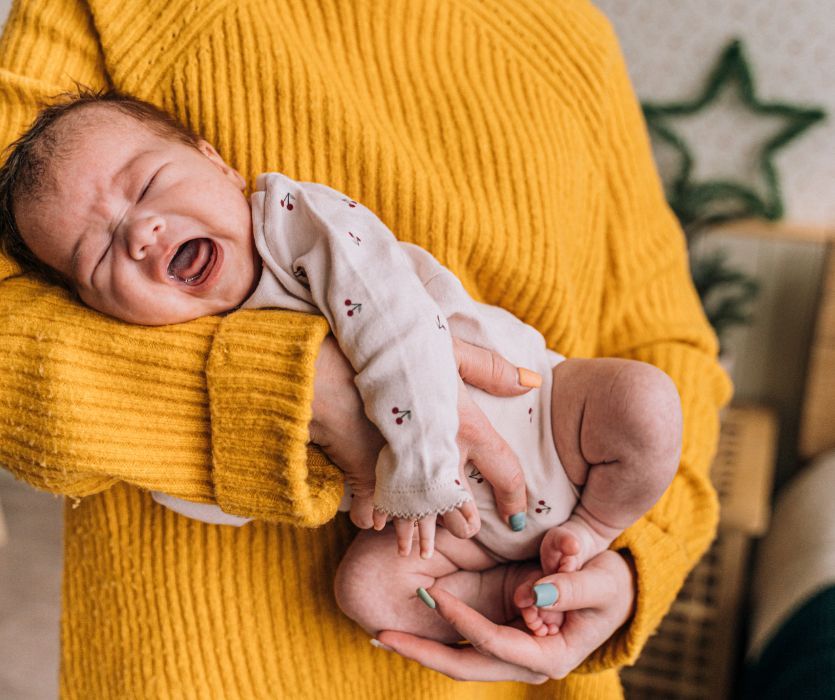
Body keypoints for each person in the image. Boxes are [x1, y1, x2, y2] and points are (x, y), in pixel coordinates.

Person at [0, 0, 732, 697]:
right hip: (229, 664)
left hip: (532, 600)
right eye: (100, 260)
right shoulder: (111, 16)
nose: (139, 235)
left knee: (642, 401)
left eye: (152, 186)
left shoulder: (569, 39)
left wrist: (628, 563)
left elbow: (668, 346)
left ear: (214, 161)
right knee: (367, 587)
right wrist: (297, 389)